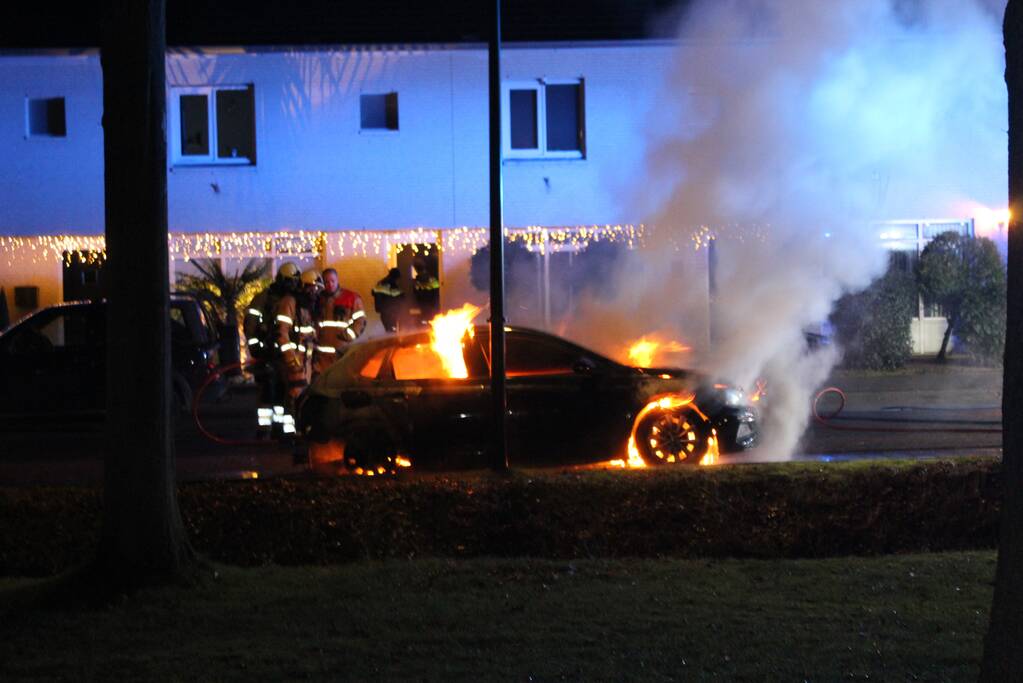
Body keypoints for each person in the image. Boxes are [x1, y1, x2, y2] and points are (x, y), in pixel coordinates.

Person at [244, 261, 300, 439]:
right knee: (268, 392)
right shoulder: (263, 299)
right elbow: (250, 325)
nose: (292, 285)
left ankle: (283, 430)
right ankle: (265, 430)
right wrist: (257, 348)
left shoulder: (292, 301)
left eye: (294, 281)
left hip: (283, 355)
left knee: (285, 393)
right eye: (290, 281)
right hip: (268, 354)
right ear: (281, 280)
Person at [273, 268, 320, 440]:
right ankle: (290, 434)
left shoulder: (306, 305)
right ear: (305, 287)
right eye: (312, 288)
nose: (315, 293)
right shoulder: (290, 303)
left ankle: (299, 432)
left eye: (316, 289)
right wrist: (290, 359)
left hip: (305, 360)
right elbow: (282, 333)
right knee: (293, 397)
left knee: (302, 396)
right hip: (295, 360)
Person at [312, 267, 367, 377]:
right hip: (321, 355)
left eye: (332, 281)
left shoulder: (351, 298)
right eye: (326, 282)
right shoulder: (317, 299)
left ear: (337, 280)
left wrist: (348, 336)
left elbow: (361, 321)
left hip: (342, 352)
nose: (330, 284)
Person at [372, 267, 405, 333]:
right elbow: (398, 295)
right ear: (395, 277)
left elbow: (373, 293)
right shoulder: (391, 284)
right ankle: (392, 342)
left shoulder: (380, 282)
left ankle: (390, 340)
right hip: (390, 312)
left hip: (383, 312)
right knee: (392, 330)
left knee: (389, 330)